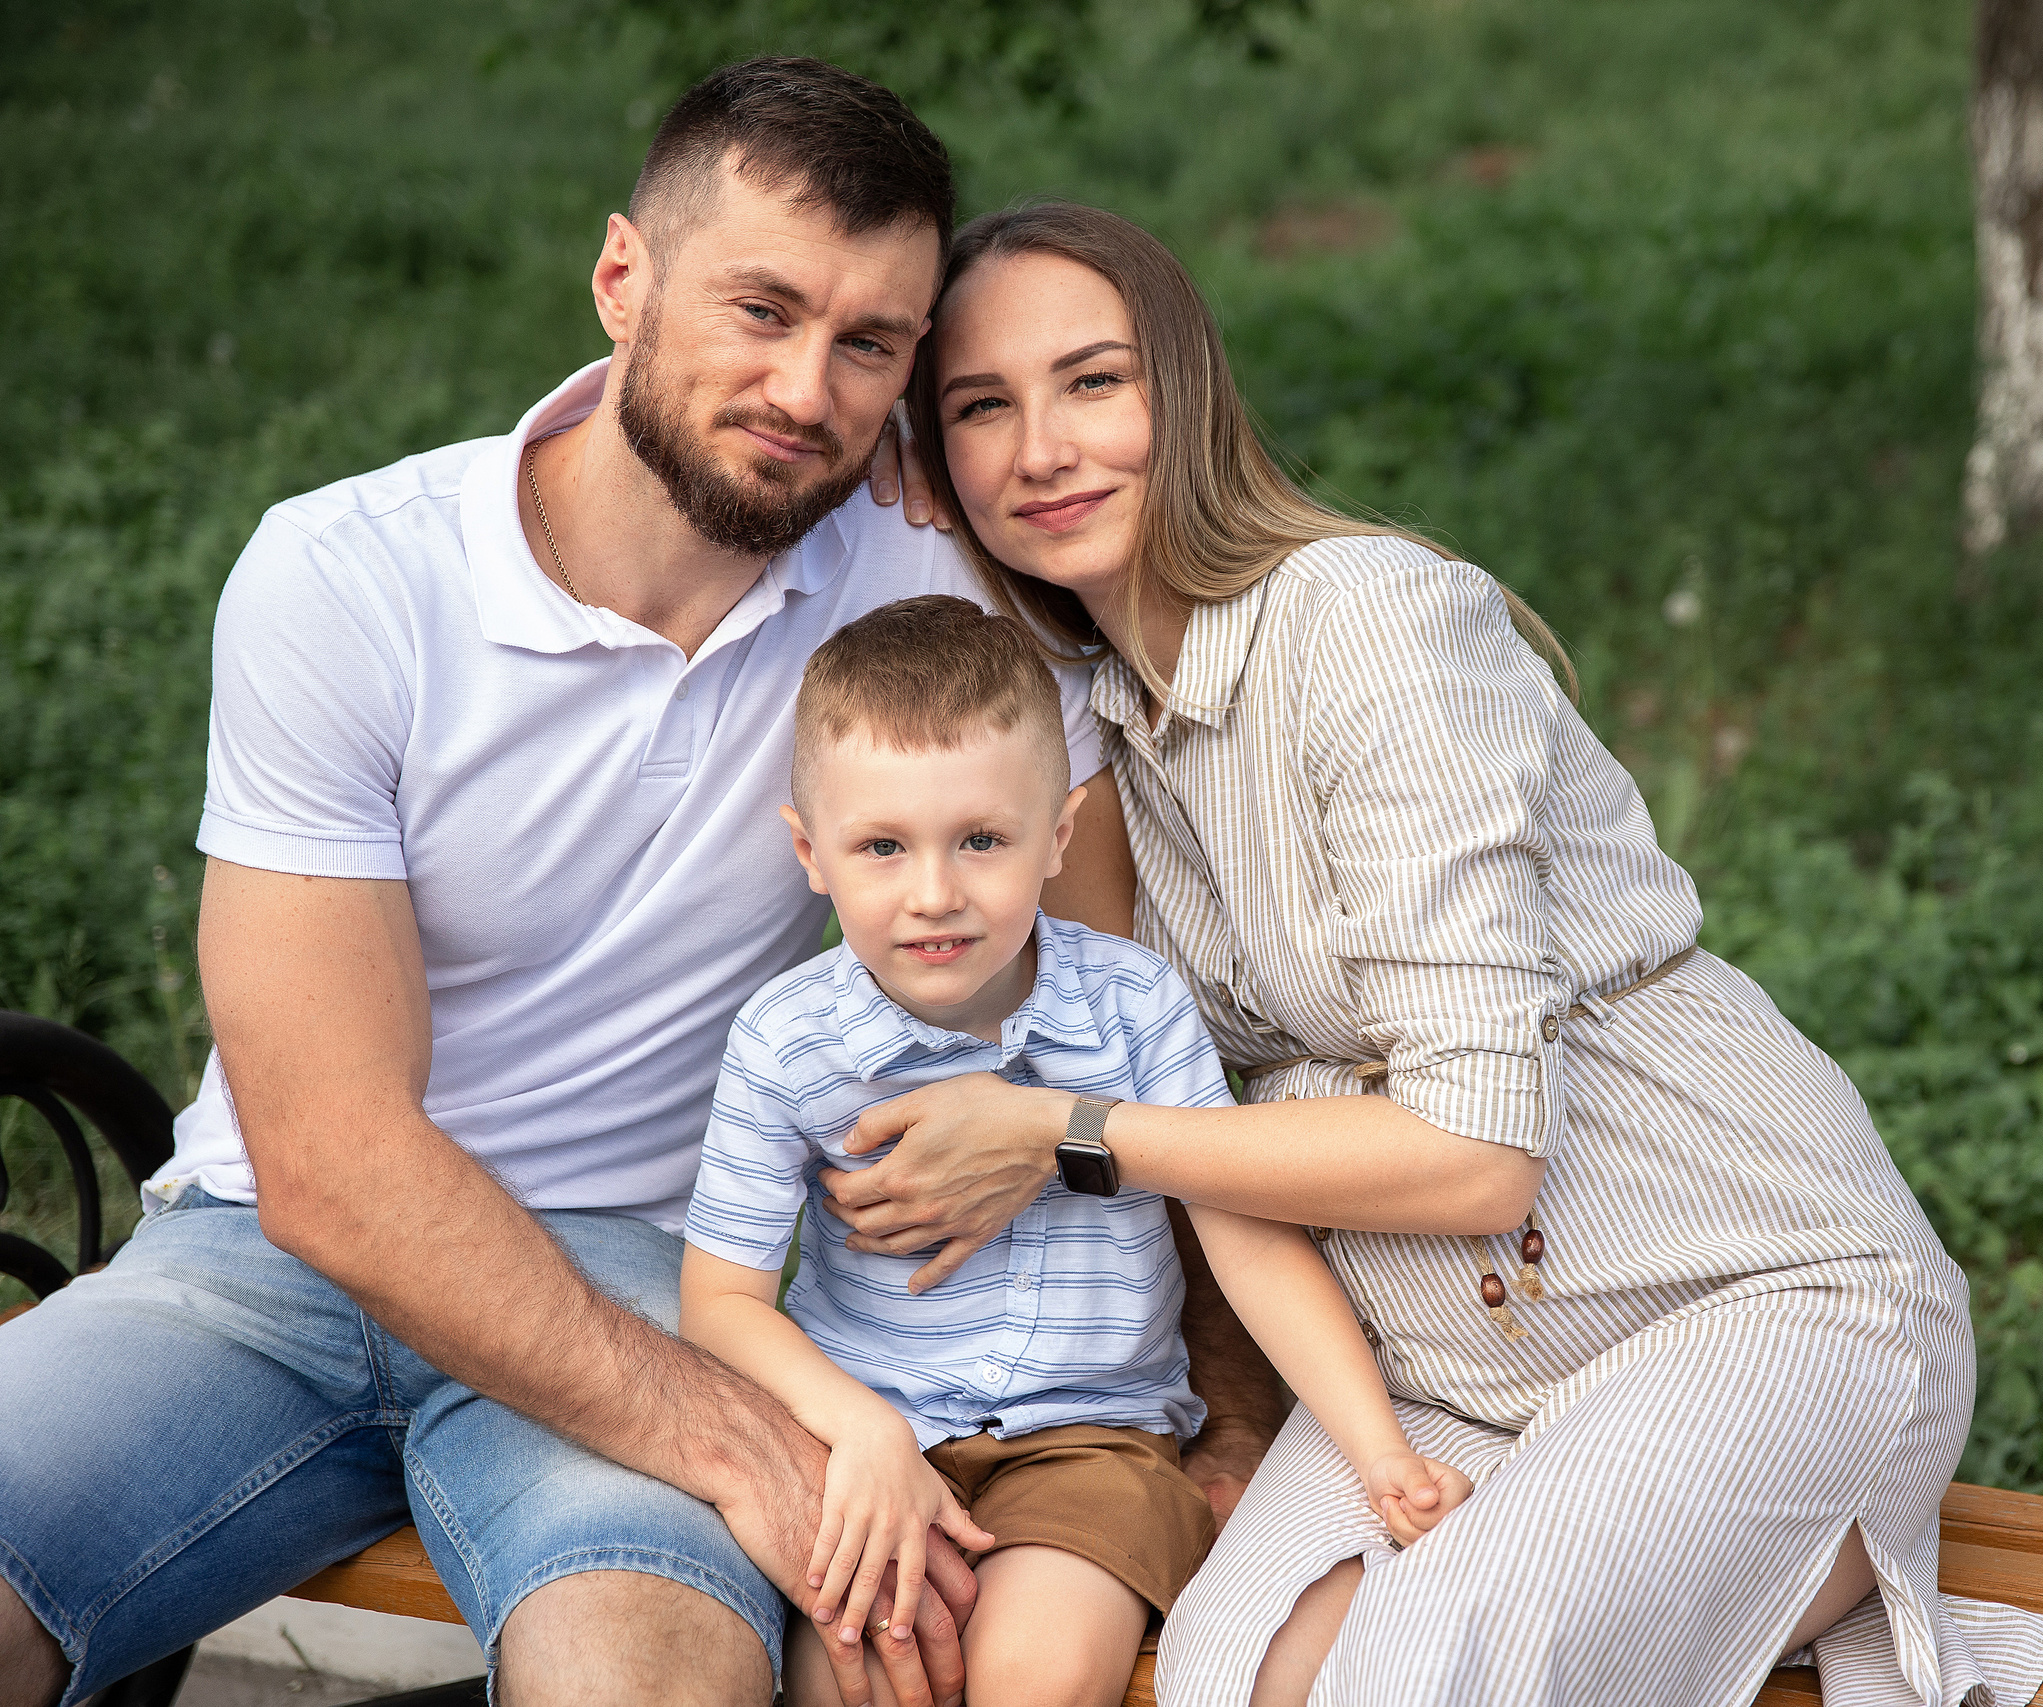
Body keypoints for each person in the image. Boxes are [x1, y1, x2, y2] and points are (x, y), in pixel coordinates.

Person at [0, 67, 1279, 1707]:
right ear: (622, 277)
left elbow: (1104, 1015)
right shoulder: (347, 577)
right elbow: (329, 1155)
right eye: (761, 308)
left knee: (651, 1682)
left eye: (870, 345)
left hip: (654, 1264)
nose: (805, 388)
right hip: (262, 1261)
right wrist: (729, 1433)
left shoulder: (936, 583)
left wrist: (1226, 1411)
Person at [801, 200, 2043, 1707]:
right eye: (979, 409)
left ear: (1188, 393)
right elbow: (1085, 1055)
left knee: (1430, 1673)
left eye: (1095, 380)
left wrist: (1069, 1137)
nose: (1042, 450)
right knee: (1226, 1665)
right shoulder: (1093, 730)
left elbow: (1477, 1153)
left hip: (1751, 1290)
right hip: (1436, 1366)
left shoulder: (1369, 625)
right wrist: (1202, 1421)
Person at [680, 595, 1473, 1707]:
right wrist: (860, 1432)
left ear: (1058, 834)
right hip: (866, 1438)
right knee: (851, 1673)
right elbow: (721, 1301)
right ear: (811, 852)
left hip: (1091, 1443)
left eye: (982, 841)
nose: (934, 894)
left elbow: (1245, 1244)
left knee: (1033, 1675)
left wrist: (1377, 1449)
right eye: (881, 847)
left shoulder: (1134, 1008)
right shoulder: (787, 1042)